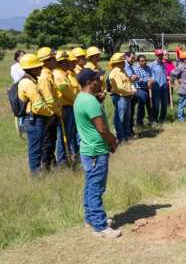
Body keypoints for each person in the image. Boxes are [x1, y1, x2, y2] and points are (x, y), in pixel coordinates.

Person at [74, 68, 120, 239]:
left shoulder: (81, 98)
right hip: (96, 150)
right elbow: (101, 129)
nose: (101, 81)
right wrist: (113, 140)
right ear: (89, 82)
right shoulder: (90, 102)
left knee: (90, 185)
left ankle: (90, 219)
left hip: (88, 149)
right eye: (97, 79)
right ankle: (100, 226)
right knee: (96, 188)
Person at [17, 54, 56, 175]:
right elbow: (38, 105)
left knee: (38, 147)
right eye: (38, 67)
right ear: (31, 69)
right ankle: (36, 175)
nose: (41, 69)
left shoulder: (31, 81)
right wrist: (50, 114)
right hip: (34, 119)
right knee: (35, 149)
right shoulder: (28, 83)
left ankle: (37, 173)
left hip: (35, 119)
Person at [36, 47, 61, 170]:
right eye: (52, 59)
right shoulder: (44, 77)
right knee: (48, 142)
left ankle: (51, 162)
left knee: (52, 140)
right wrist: (57, 112)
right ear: (45, 61)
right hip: (49, 115)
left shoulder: (49, 75)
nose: (55, 61)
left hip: (52, 113)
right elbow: (49, 100)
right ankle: (47, 167)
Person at [53, 50, 79, 165]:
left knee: (68, 134)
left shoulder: (63, 74)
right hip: (66, 108)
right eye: (66, 61)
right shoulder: (59, 75)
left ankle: (66, 158)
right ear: (61, 63)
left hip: (69, 106)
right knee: (63, 136)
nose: (69, 63)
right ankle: (62, 160)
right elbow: (66, 92)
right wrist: (77, 100)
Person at [107, 53, 135, 142]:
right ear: (117, 62)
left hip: (126, 96)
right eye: (122, 61)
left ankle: (126, 136)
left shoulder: (123, 71)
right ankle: (120, 137)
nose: (124, 63)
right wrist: (131, 91)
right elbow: (119, 87)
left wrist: (132, 88)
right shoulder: (115, 72)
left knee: (127, 117)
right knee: (120, 118)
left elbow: (128, 82)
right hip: (120, 97)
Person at [132, 55, 154, 126]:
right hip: (140, 89)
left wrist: (151, 81)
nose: (144, 62)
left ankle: (151, 120)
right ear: (138, 61)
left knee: (150, 105)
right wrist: (148, 81)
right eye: (142, 61)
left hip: (148, 89)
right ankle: (139, 121)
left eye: (145, 61)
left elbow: (151, 76)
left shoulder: (148, 68)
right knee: (141, 106)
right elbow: (138, 80)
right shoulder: (136, 69)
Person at [149, 49, 170, 125]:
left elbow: (164, 74)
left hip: (164, 87)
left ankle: (162, 119)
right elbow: (149, 75)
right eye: (159, 55)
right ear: (156, 56)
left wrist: (167, 78)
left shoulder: (163, 64)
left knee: (164, 104)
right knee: (156, 105)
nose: (160, 56)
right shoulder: (152, 65)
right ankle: (154, 120)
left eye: (161, 55)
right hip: (156, 88)